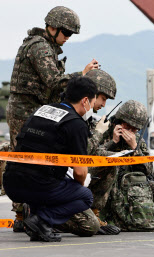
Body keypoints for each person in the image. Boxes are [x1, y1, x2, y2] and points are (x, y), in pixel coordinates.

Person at [7, 6, 99, 232]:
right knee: (27, 163)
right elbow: (54, 81)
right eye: (66, 33)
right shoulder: (40, 47)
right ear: (53, 27)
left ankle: (35, 213)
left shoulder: (45, 46)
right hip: (25, 111)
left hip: (34, 110)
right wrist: (82, 76)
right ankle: (23, 216)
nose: (67, 38)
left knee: (40, 166)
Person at [3, 77, 98, 242]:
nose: (93, 108)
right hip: (38, 184)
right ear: (85, 101)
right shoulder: (76, 124)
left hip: (12, 182)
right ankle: (42, 219)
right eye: (93, 102)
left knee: (49, 180)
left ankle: (37, 222)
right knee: (85, 196)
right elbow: (80, 172)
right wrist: (77, 187)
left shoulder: (43, 110)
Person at [54, 69, 120, 237]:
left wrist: (113, 144)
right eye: (103, 98)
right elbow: (83, 152)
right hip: (61, 176)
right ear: (90, 95)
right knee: (89, 226)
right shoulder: (73, 117)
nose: (104, 105)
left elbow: (91, 151)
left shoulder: (85, 117)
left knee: (111, 161)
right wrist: (99, 132)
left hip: (68, 173)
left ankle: (93, 214)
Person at [90, 100, 154, 230]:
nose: (130, 132)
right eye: (127, 127)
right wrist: (113, 142)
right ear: (118, 122)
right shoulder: (103, 131)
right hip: (104, 185)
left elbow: (149, 171)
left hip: (126, 186)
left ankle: (129, 215)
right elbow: (92, 157)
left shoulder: (137, 141)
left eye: (134, 129)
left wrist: (135, 147)